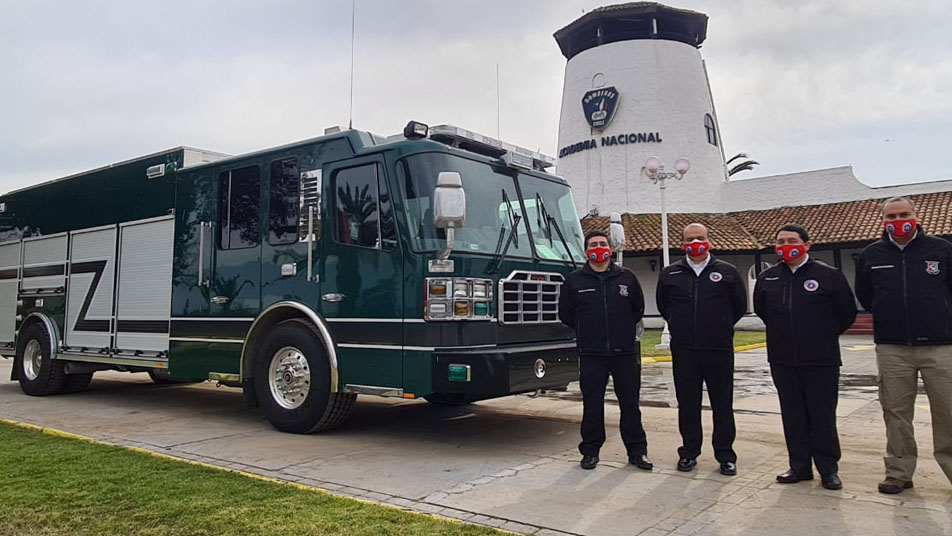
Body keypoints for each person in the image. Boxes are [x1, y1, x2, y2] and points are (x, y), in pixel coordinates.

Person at [855, 196, 952, 495]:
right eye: (891, 217)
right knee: (896, 412)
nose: (898, 221)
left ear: (916, 215)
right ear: (883, 221)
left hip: (940, 345)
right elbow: (866, 296)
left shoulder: (942, 250)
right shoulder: (872, 254)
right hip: (893, 347)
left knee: (948, 411)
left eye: (903, 215)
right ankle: (899, 472)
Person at [753, 224, 857, 490]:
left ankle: (828, 469)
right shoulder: (769, 277)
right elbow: (763, 310)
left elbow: (845, 313)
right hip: (782, 359)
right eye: (780, 240)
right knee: (793, 415)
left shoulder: (828, 275)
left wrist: (820, 335)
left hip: (821, 359)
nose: (786, 245)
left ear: (807, 245)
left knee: (822, 416)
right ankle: (799, 466)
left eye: (792, 240)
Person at [656, 223, 747, 476]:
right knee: (688, 404)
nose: (695, 242)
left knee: (722, 404)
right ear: (682, 243)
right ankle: (689, 452)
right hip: (685, 350)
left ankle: (725, 455)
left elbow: (738, 306)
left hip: (718, 349)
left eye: (700, 238)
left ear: (709, 240)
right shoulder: (670, 274)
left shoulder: (727, 272)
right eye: (690, 239)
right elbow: (664, 305)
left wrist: (720, 325)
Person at [558, 229, 651, 471]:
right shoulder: (574, 280)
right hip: (592, 353)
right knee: (592, 405)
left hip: (625, 353)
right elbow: (566, 314)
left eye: (602, 243)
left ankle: (637, 452)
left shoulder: (626, 278)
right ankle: (590, 451)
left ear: (609, 248)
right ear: (586, 250)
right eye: (593, 244)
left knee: (630, 404)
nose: (598, 247)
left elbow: (637, 309)